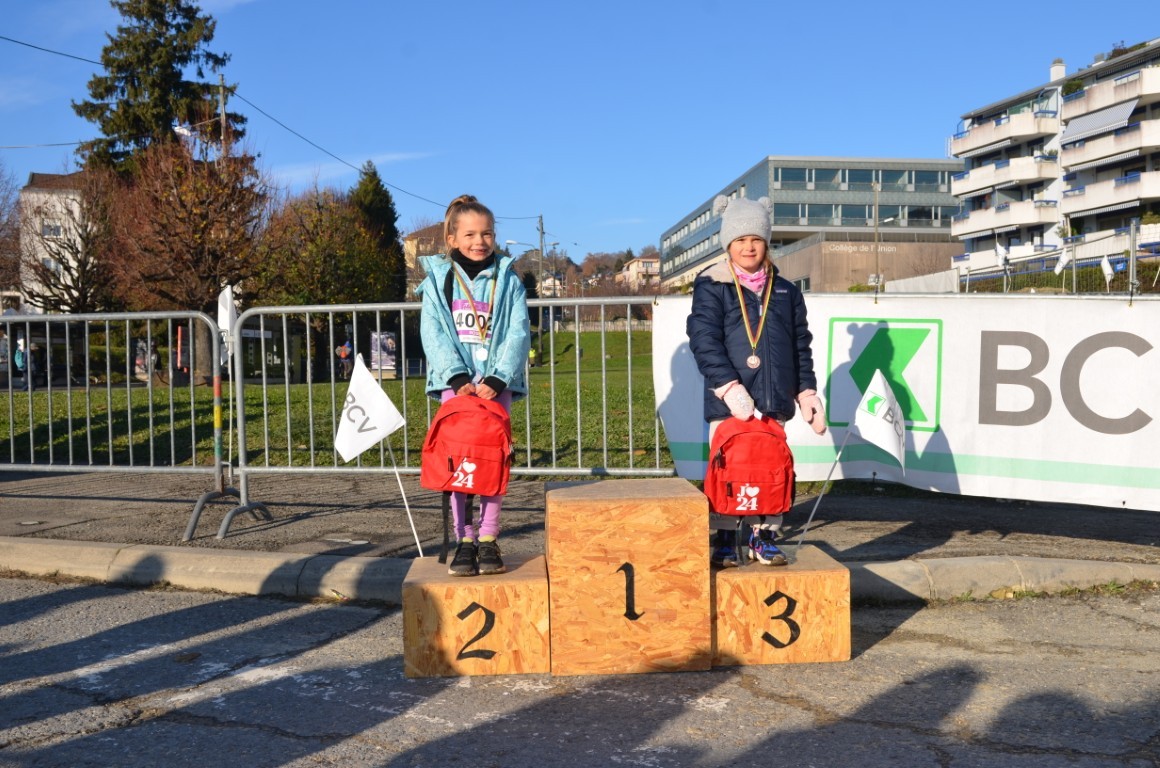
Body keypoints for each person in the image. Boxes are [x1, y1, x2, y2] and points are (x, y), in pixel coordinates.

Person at [686, 195, 827, 567]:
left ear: (766, 242)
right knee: (729, 470)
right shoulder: (712, 284)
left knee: (767, 470)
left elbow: (800, 344)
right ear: (728, 244)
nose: (748, 247)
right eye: (740, 239)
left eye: (756, 239)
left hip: (774, 399)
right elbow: (704, 339)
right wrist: (728, 387)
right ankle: (724, 537)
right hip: (729, 402)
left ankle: (763, 537)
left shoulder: (786, 291)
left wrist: (806, 392)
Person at [417, 195, 531, 577]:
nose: (479, 241)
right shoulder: (439, 280)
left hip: (496, 386)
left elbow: (517, 330)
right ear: (451, 238)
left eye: (486, 234)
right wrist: (457, 376)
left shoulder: (508, 279)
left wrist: (499, 376)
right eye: (469, 234)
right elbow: (432, 331)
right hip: (457, 386)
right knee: (460, 463)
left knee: (492, 458)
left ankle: (488, 537)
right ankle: (464, 539)